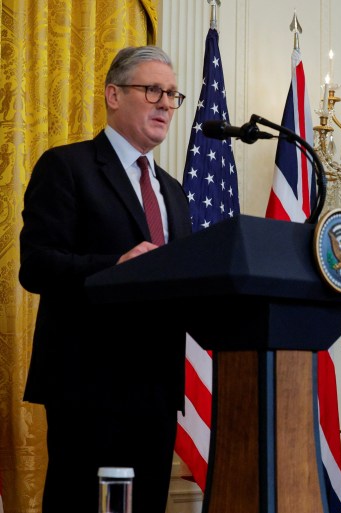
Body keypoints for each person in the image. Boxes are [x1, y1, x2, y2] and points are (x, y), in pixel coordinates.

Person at [19, 46, 191, 513]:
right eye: (152, 89)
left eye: (172, 94)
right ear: (113, 95)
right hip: (89, 385)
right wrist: (115, 265)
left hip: (156, 387)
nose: (164, 103)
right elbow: (35, 266)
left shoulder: (173, 192)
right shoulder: (67, 167)